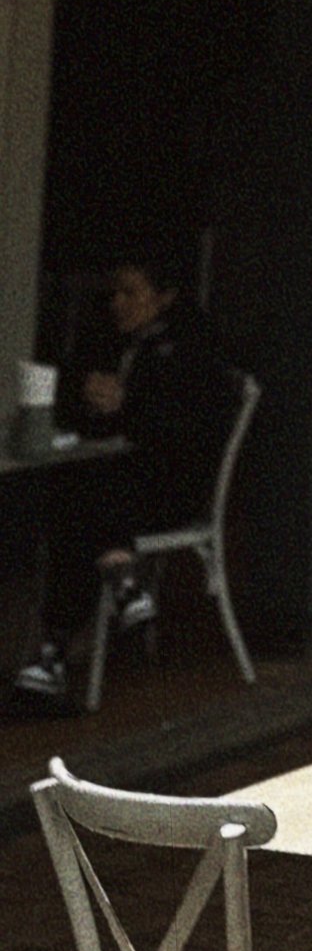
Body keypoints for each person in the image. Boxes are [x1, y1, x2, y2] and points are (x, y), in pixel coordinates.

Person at [13, 254, 237, 709]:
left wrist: (128, 402)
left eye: (130, 292)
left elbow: (184, 427)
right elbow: (70, 387)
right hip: (110, 484)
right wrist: (85, 390)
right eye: (114, 292)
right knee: (78, 498)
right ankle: (123, 580)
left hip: (165, 486)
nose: (118, 302)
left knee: (78, 504)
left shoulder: (190, 345)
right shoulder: (105, 338)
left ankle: (53, 653)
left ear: (163, 297)